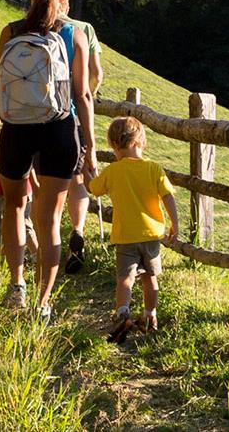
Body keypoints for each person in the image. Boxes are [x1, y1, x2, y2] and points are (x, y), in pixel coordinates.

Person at [0, 0, 98, 322]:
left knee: (15, 209)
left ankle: (16, 285)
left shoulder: (11, 31)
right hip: (59, 129)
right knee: (49, 219)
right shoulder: (74, 34)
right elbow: (82, 96)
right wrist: (90, 146)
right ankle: (43, 302)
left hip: (16, 129)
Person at [86, 116, 177, 335]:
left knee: (125, 278)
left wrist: (86, 174)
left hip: (126, 236)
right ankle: (150, 315)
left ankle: (122, 312)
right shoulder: (154, 168)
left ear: (114, 144)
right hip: (151, 235)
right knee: (150, 277)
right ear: (140, 141)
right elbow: (168, 197)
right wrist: (175, 223)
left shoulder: (113, 171)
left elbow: (94, 189)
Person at [58, 12, 103, 276]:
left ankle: (43, 249)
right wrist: (90, 94)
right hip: (73, 115)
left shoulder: (31, 25)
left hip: (38, 115)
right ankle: (77, 231)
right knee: (77, 180)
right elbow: (96, 73)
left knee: (46, 187)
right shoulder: (84, 29)